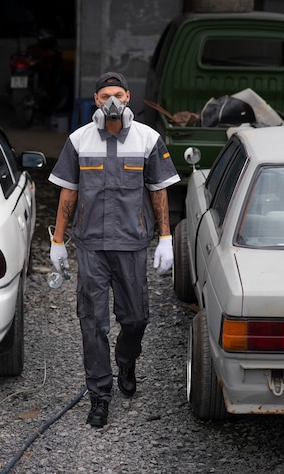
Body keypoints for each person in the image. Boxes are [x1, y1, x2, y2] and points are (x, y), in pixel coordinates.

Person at [48, 72, 180, 427]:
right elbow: (68, 191)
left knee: (136, 318)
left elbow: (159, 189)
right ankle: (99, 396)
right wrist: (57, 241)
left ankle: (126, 359)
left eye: (117, 94)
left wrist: (165, 237)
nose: (112, 101)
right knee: (92, 323)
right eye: (105, 95)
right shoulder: (79, 140)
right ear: (95, 100)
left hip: (131, 243)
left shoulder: (148, 139)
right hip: (91, 245)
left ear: (128, 96)